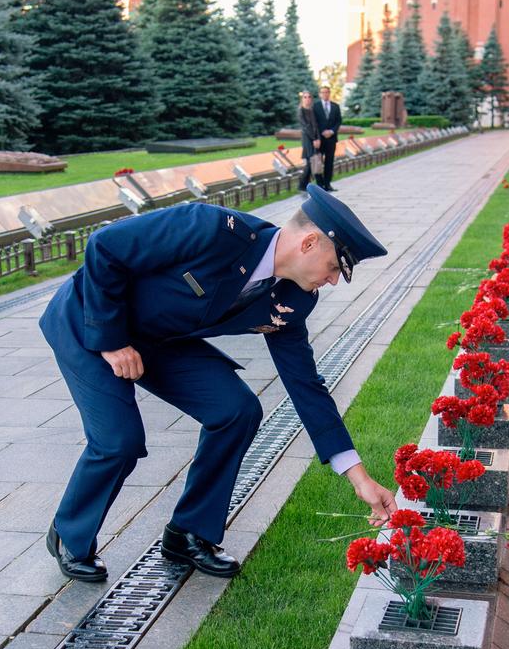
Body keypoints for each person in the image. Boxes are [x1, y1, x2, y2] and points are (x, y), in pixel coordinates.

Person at [40, 184, 398, 582]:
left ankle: (189, 533)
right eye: (335, 267)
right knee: (118, 440)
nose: (333, 281)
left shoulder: (295, 299)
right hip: (91, 320)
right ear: (310, 242)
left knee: (236, 410)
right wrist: (112, 340)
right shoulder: (212, 229)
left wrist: (358, 476)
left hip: (159, 339)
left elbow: (306, 385)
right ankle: (70, 535)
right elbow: (105, 245)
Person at [313, 85, 342, 192]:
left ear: (329, 93)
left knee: (329, 162)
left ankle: (327, 184)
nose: (325, 94)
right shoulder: (315, 106)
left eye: (327, 92)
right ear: (320, 94)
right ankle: (320, 185)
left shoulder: (335, 106)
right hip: (319, 139)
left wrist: (331, 131)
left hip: (331, 139)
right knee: (318, 162)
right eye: (323, 92)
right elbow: (314, 122)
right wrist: (321, 132)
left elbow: (338, 121)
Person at [297, 91, 321, 192]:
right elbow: (306, 127)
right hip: (307, 139)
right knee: (310, 162)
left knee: (313, 162)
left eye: (309, 97)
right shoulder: (301, 111)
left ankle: (305, 185)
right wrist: (314, 139)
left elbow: (316, 126)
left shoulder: (312, 110)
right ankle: (302, 185)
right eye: (305, 97)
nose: (307, 99)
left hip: (315, 139)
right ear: (302, 99)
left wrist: (318, 138)